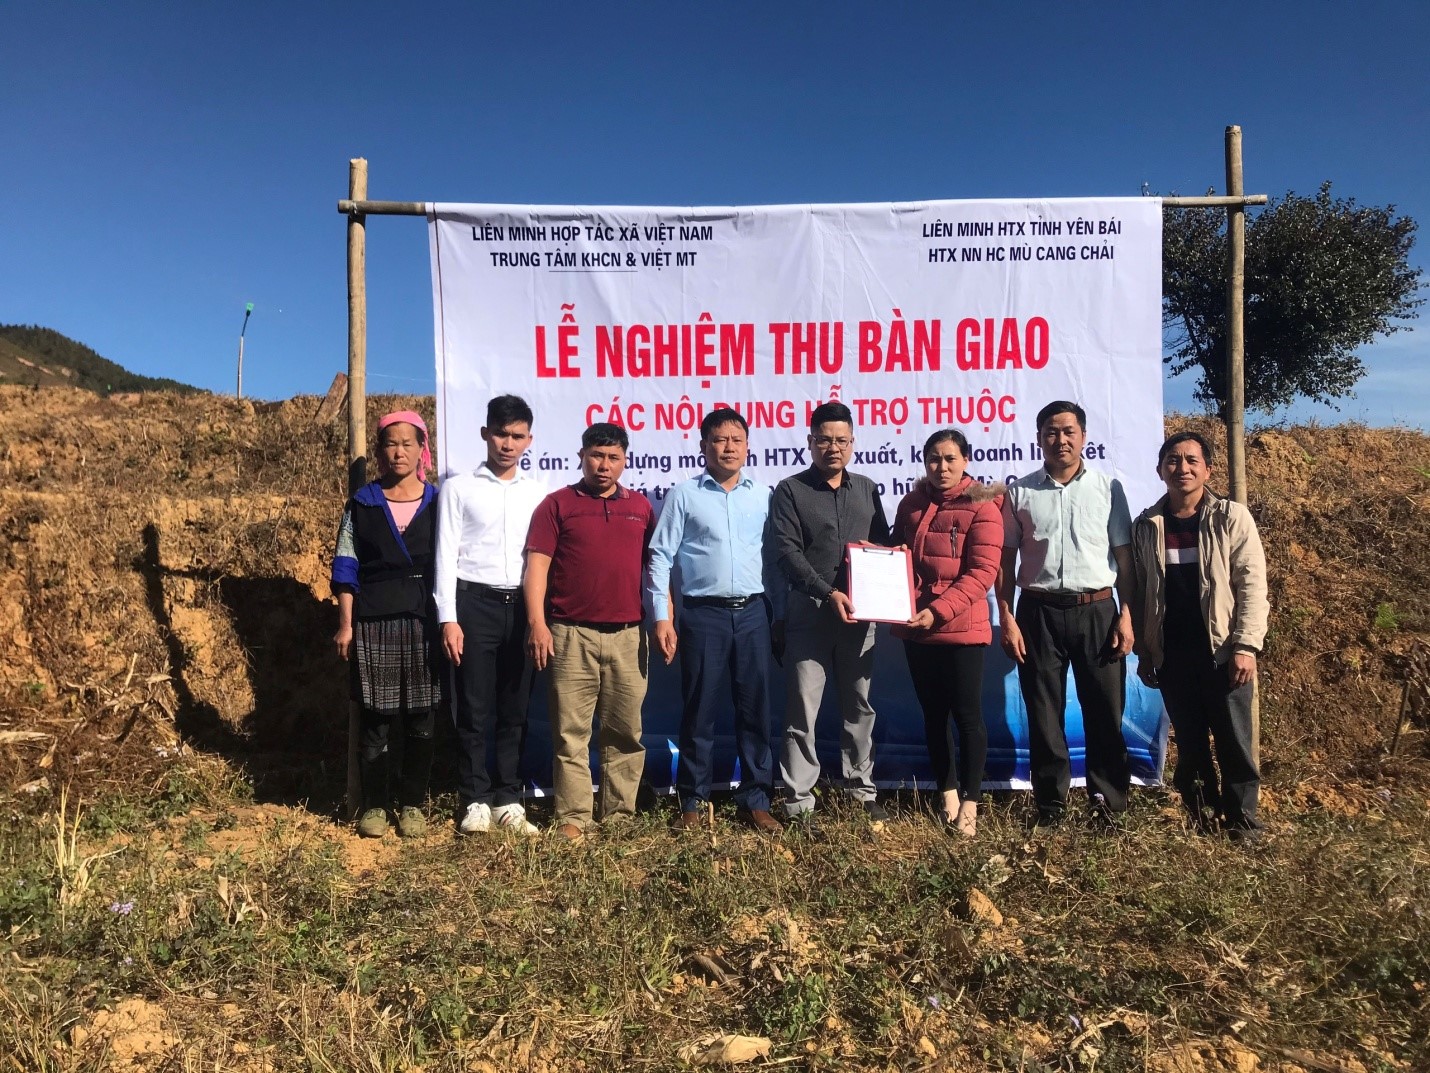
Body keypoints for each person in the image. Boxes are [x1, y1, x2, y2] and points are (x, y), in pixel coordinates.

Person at [997, 400, 1135, 826]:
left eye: (1069, 431)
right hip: (1037, 613)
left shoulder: (1108, 488)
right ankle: (1050, 807)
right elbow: (1005, 560)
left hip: (1098, 612)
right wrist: (1006, 616)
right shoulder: (1020, 492)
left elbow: (1125, 559)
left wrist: (1127, 614)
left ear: (1084, 437)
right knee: (1043, 712)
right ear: (1039, 439)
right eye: (1052, 432)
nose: (1061, 440)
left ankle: (1108, 802)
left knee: (1105, 710)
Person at [648, 408, 781, 834]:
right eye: (719, 440)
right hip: (702, 615)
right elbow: (660, 557)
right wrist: (663, 616)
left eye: (736, 440)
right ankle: (693, 799)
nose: (728, 447)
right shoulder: (684, 495)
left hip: (753, 613)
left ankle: (757, 799)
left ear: (748, 446)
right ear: (703, 446)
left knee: (756, 709)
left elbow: (777, 558)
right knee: (699, 710)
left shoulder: (762, 496)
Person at [1130, 431, 1269, 840]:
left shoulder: (1231, 518)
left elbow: (1252, 585)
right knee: (1190, 745)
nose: (1183, 468)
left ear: (1208, 469)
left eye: (1192, 460)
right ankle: (1202, 820)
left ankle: (1243, 825)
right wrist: (1146, 651)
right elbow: (1142, 592)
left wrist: (1246, 645)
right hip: (1173, 656)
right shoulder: (1147, 526)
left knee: (1234, 743)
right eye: (1173, 460)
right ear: (1160, 470)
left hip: (1223, 653)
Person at [524, 423, 655, 841]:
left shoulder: (641, 507)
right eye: (597, 455)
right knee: (570, 732)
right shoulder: (557, 505)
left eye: (614, 457)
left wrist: (664, 619)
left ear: (625, 460)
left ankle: (619, 814)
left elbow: (656, 569)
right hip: (570, 634)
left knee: (625, 732)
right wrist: (537, 623)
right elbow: (537, 567)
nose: (604, 465)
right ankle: (574, 816)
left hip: (628, 635)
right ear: (582, 456)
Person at [769, 400, 892, 825]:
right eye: (824, 440)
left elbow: (881, 545)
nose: (833, 447)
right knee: (802, 712)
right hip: (809, 617)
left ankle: (861, 790)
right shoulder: (790, 490)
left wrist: (892, 560)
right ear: (810, 442)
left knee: (860, 707)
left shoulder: (867, 488)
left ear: (853, 442)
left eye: (841, 440)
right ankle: (799, 800)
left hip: (860, 618)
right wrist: (828, 592)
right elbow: (787, 553)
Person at [434, 395, 547, 837]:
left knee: (515, 709)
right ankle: (475, 798)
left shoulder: (538, 494)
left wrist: (540, 618)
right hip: (473, 605)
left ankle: (508, 798)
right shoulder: (459, 488)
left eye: (517, 436)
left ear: (529, 440)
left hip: (522, 608)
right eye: (500, 434)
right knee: (473, 707)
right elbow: (445, 555)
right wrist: (448, 617)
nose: (508, 444)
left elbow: (543, 560)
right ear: (485, 434)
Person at [331, 410, 441, 839]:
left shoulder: (438, 502)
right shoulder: (362, 503)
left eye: (407, 444)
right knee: (376, 717)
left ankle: (412, 803)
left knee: (421, 719)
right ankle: (375, 804)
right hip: (374, 620)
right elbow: (346, 565)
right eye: (390, 444)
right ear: (379, 451)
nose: (399, 452)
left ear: (421, 449)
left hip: (424, 620)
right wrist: (346, 623)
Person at [891, 429, 1004, 837]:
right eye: (934, 459)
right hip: (916, 627)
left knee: (968, 717)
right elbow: (897, 553)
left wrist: (938, 611)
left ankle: (971, 803)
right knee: (934, 716)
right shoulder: (912, 503)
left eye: (951, 458)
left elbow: (982, 573)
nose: (942, 467)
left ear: (966, 461)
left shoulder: (983, 505)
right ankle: (948, 794)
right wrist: (880, 557)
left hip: (961, 629)